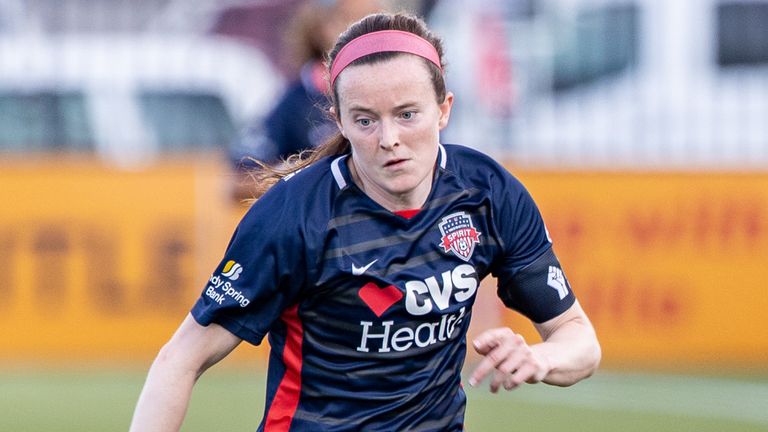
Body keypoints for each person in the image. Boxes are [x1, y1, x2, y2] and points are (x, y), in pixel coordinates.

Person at [130, 12, 601, 432]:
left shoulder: (488, 193)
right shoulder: (294, 217)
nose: (389, 139)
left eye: (408, 114)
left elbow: (579, 340)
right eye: (365, 121)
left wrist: (538, 357)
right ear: (339, 121)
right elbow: (180, 360)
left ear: (444, 110)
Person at [229, 0, 380, 201]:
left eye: (371, 22)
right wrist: (308, 175)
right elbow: (238, 183)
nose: (360, 33)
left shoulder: (395, 94)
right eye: (347, 20)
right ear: (319, 28)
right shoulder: (294, 103)